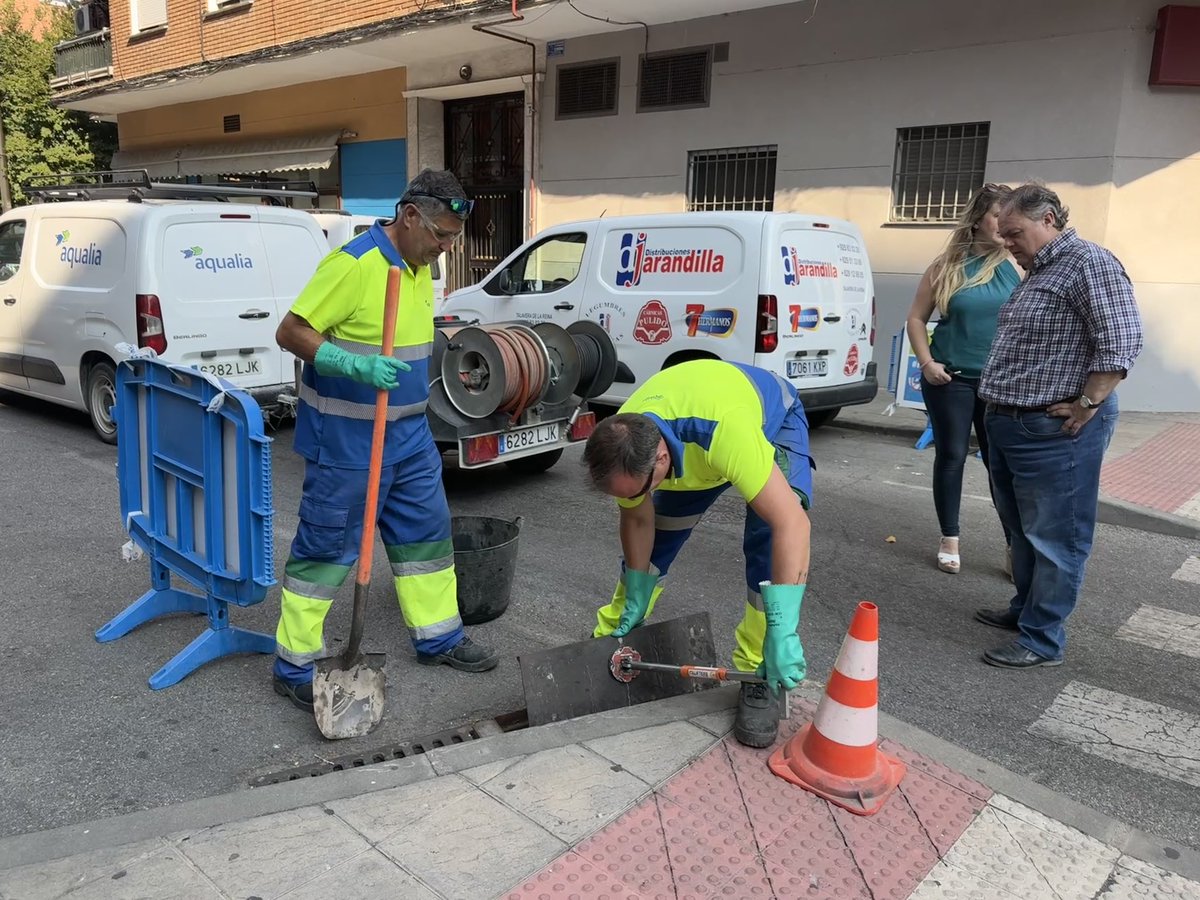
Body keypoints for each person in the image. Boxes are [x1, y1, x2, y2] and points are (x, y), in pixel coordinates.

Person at [272, 169, 499, 712]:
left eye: (453, 238)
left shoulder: (420, 266)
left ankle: (438, 637)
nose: (446, 248)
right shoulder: (354, 264)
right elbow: (291, 331)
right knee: (327, 549)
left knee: (426, 536)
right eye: (440, 235)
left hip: (409, 434)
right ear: (409, 215)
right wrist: (351, 362)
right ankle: (294, 664)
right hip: (349, 437)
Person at [582, 359, 814, 748]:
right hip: (696, 450)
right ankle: (614, 632)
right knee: (654, 547)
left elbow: (792, 525)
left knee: (766, 547)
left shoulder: (727, 434)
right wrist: (638, 588)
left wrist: (784, 630)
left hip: (770, 424)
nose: (634, 501)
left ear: (660, 458)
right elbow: (639, 521)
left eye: (638, 491)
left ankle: (759, 669)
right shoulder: (625, 438)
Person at [975, 183, 1142, 668]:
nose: (1007, 242)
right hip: (1011, 424)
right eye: (1002, 234)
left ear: (1048, 218)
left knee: (1055, 536)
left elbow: (1121, 341)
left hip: (1053, 431)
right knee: (1022, 530)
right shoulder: (1040, 269)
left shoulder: (1089, 263)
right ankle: (1026, 610)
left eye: (1014, 233)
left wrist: (1089, 402)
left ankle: (1042, 638)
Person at [905, 183, 1020, 576]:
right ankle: (949, 538)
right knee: (952, 456)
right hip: (950, 378)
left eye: (1009, 219)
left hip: (1000, 384)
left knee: (1000, 465)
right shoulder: (946, 267)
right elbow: (916, 318)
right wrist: (925, 363)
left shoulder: (1015, 263)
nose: (1005, 226)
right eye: (997, 217)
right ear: (977, 220)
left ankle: (1013, 545)